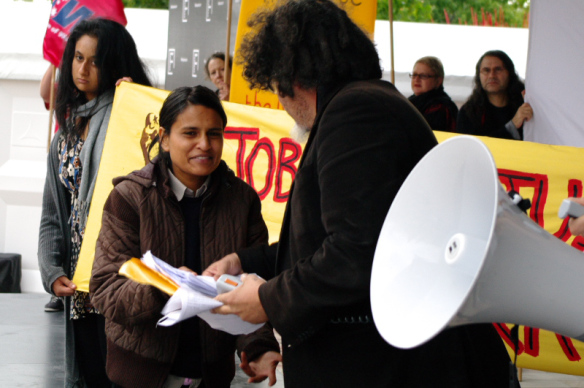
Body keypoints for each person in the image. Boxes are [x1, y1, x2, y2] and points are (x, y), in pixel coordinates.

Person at [203, 1, 513, 387]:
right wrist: (244, 260)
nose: (282, 106)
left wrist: (267, 299)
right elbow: (332, 238)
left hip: (387, 366)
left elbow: (356, 251)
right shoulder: (367, 103)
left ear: (291, 79)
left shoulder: (355, 112)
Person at [89, 85, 281, 388]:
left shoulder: (242, 200)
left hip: (212, 376)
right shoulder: (128, 198)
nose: (204, 144)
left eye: (214, 133)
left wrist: (259, 348)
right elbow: (106, 290)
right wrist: (164, 286)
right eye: (190, 133)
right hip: (139, 377)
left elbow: (250, 286)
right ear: (164, 138)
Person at [37, 18, 153, 387]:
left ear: (115, 64)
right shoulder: (65, 135)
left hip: (120, 279)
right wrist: (51, 271)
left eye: (95, 61)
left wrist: (136, 110)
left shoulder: (129, 119)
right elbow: (54, 214)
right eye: (77, 58)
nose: (82, 69)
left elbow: (157, 176)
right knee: (88, 376)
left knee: (123, 376)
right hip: (79, 284)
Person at [457, 50, 533, 140]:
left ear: (510, 73)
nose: (492, 75)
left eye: (498, 69)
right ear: (479, 76)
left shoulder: (525, 104)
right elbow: (473, 147)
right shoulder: (469, 112)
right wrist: (512, 125)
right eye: (486, 70)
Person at [408, 56, 458, 132]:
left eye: (423, 76)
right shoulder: (410, 101)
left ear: (438, 81)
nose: (416, 79)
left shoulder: (440, 107)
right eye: (414, 75)